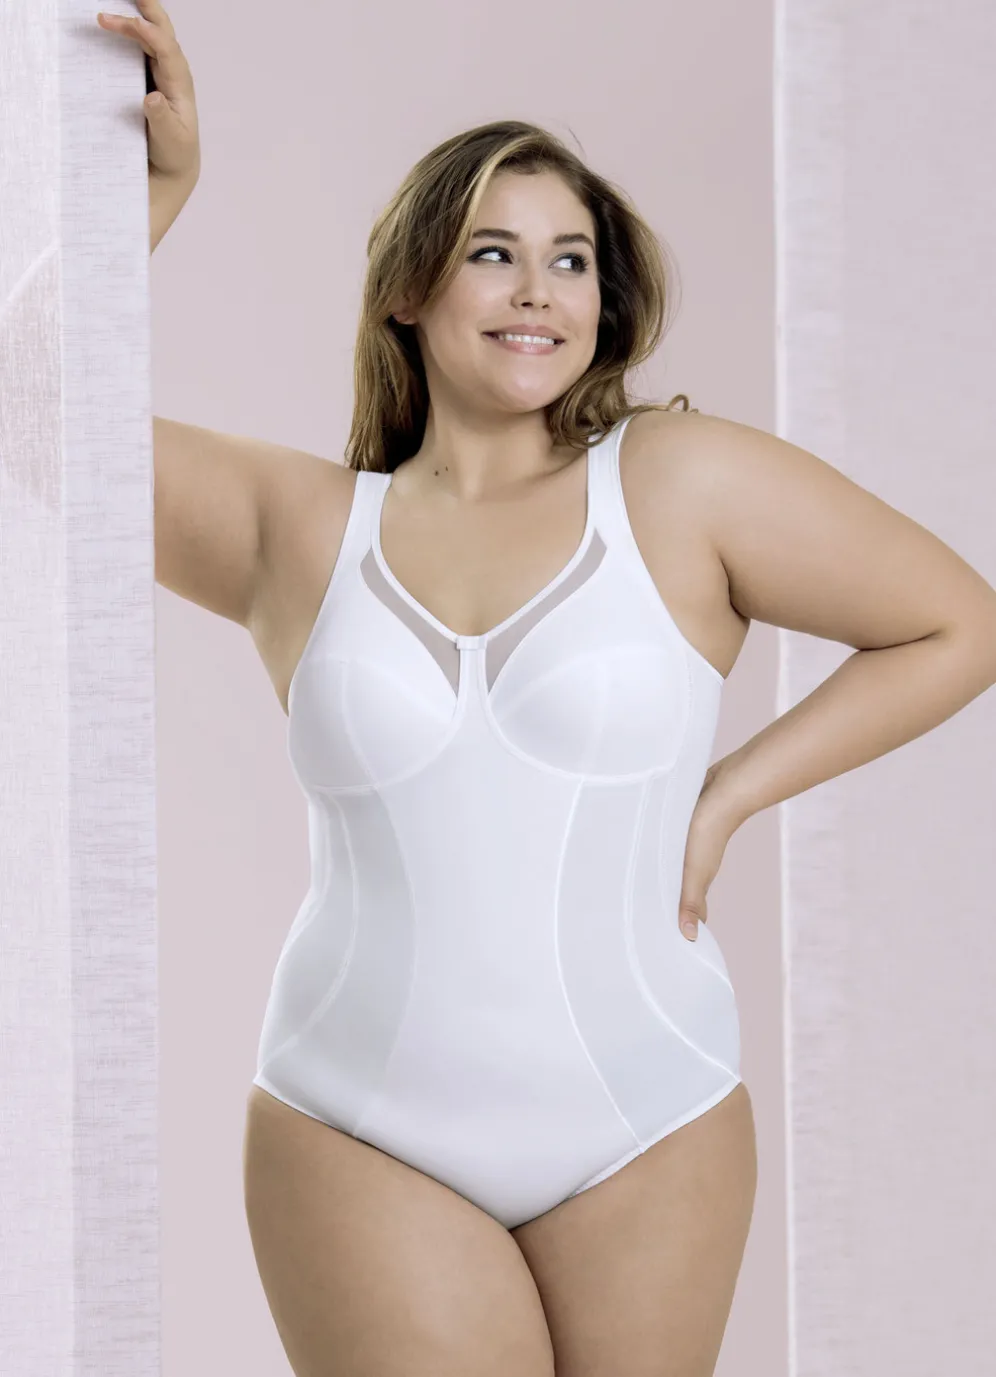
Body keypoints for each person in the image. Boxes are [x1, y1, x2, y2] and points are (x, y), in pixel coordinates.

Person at [98, 5, 996, 1375]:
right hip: (356, 1125)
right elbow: (26, 408)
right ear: (409, 289)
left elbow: (957, 625)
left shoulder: (680, 483)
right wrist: (150, 204)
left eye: (569, 260)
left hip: (649, 1117)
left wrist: (726, 798)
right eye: (493, 254)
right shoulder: (297, 525)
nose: (538, 292)